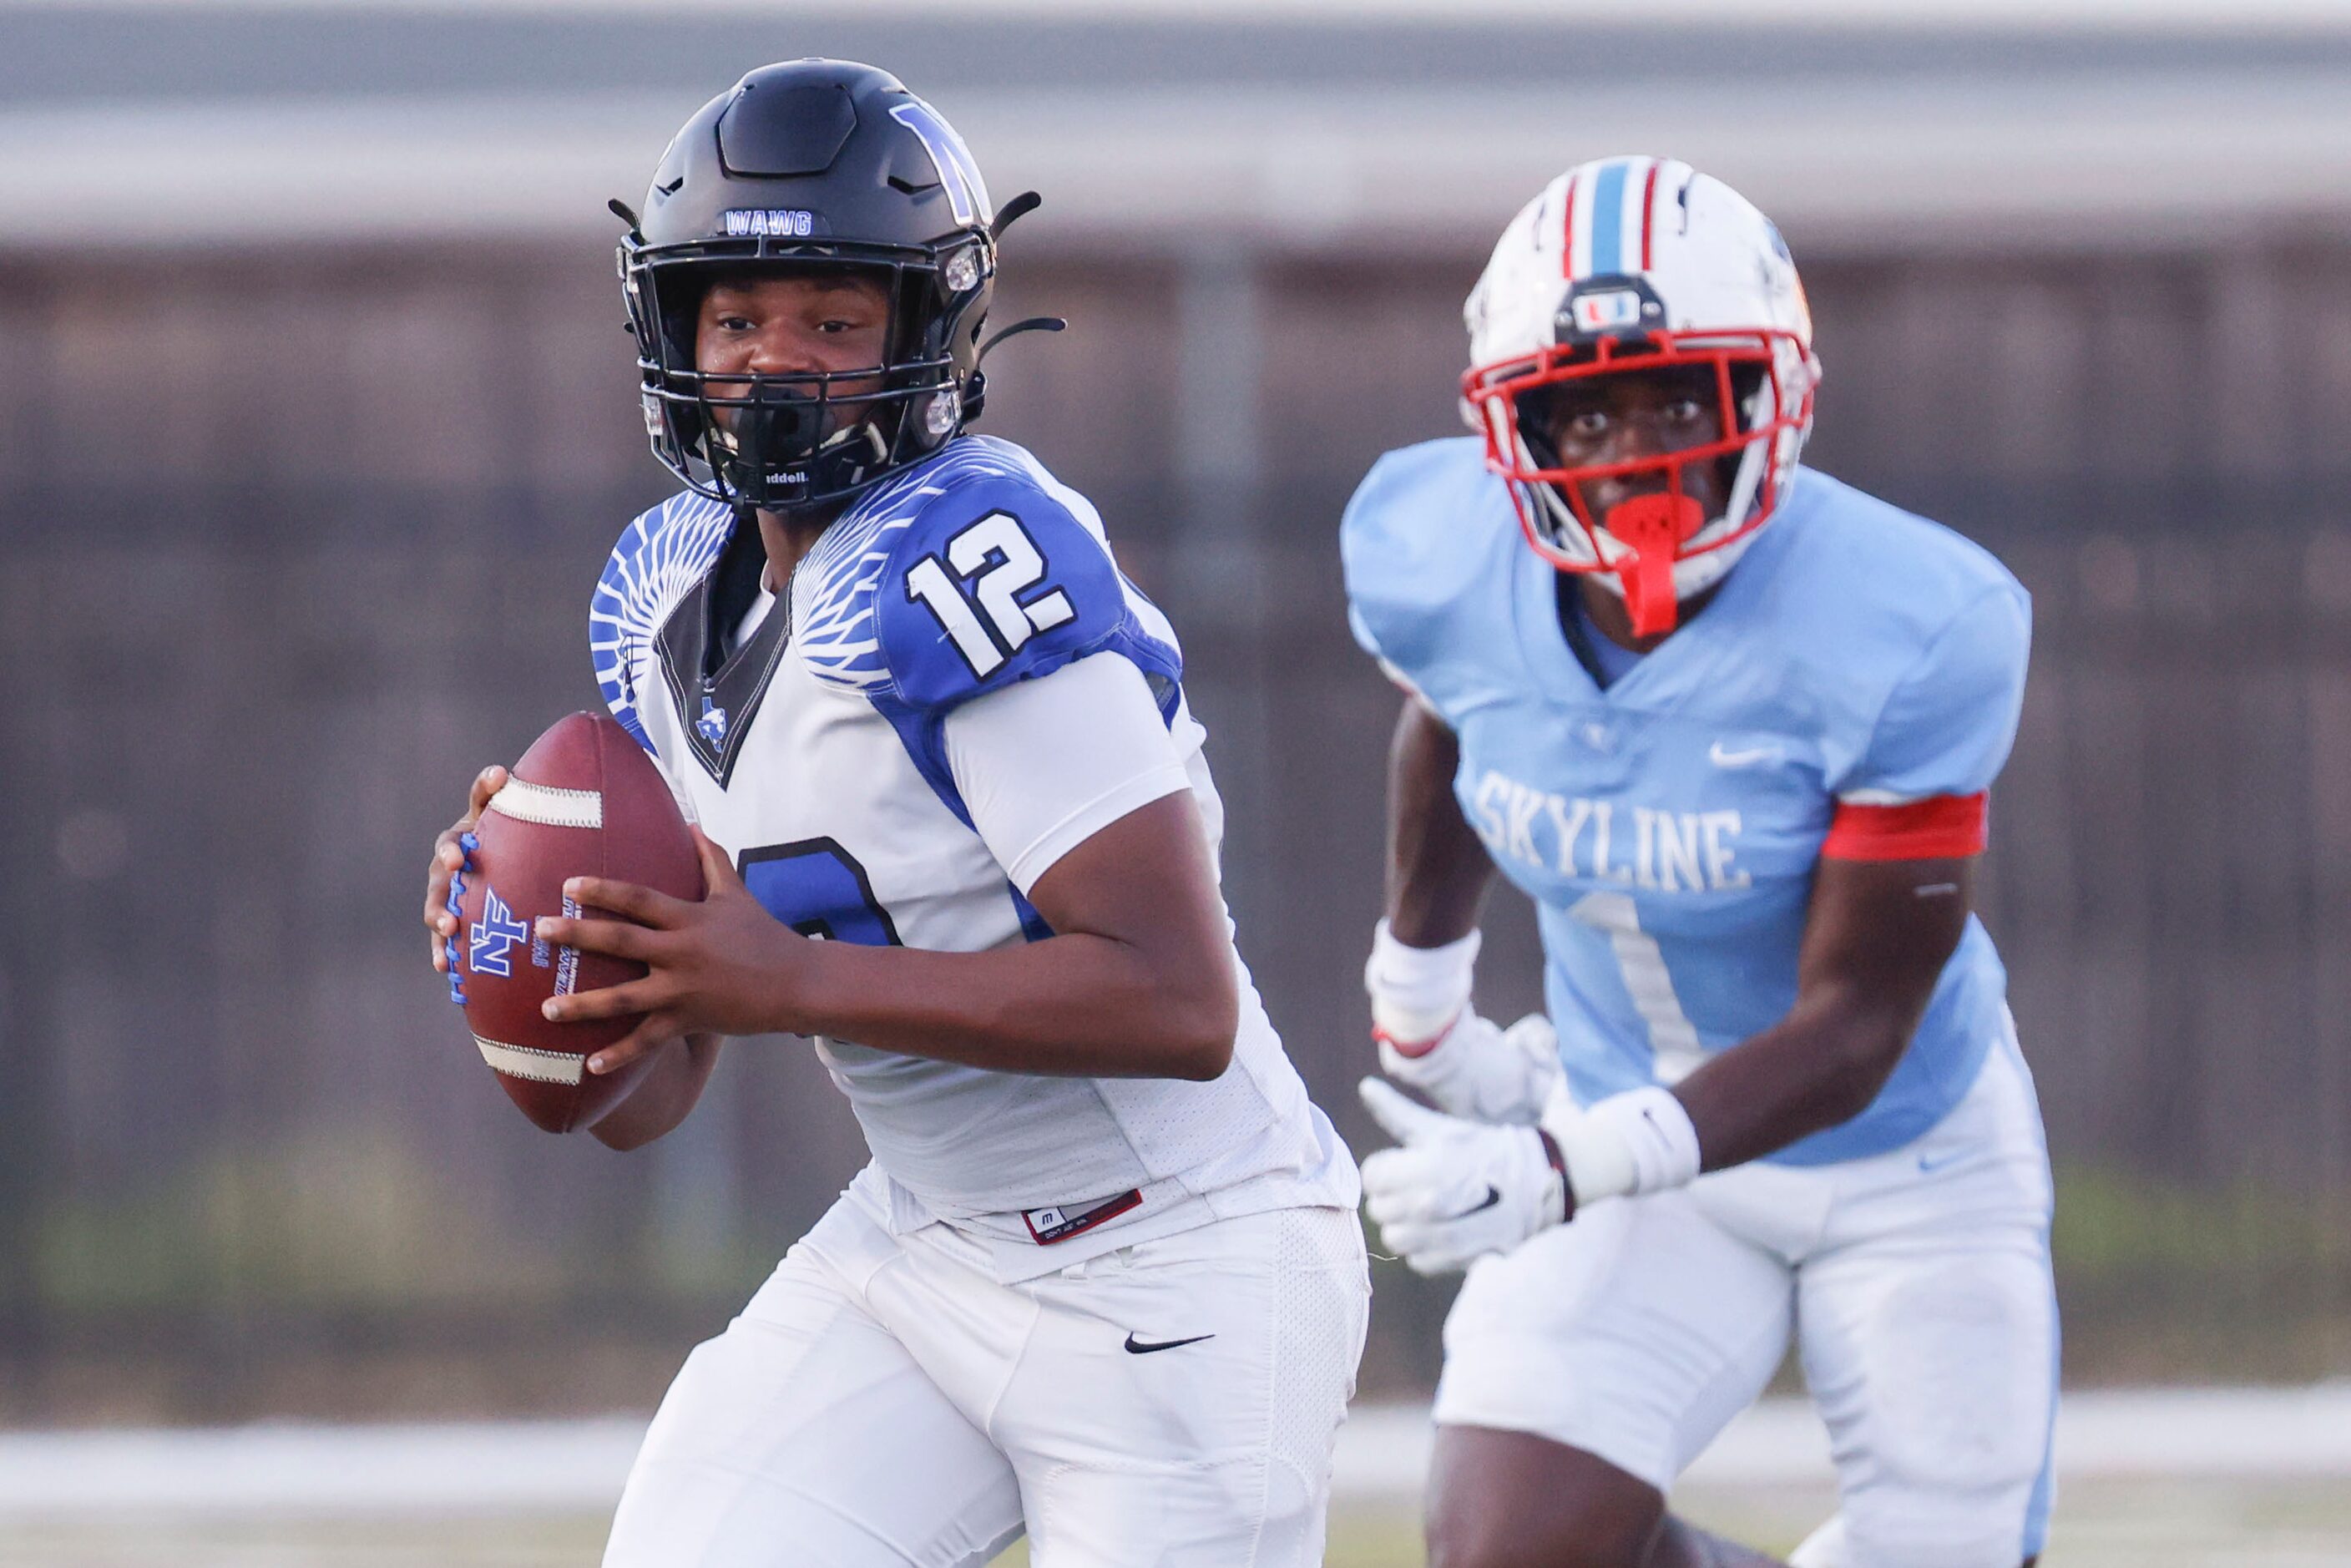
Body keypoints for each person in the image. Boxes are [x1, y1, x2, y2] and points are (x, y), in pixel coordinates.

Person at [421, 60, 1365, 1567]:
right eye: (735, 319)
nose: (774, 363)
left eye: (832, 319)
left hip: (1182, 1264)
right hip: (929, 1247)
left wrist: (793, 981)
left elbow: (1177, 997)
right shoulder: (667, 596)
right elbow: (650, 1102)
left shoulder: (965, 560)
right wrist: (556, 957)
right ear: (673, 331)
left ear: (928, 329)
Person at [1341, 155, 2056, 1568]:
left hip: (1901, 1156)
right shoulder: (1437, 560)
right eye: (1585, 410)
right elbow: (1454, 710)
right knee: (1509, 1552)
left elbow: (1855, 1028)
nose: (1633, 451)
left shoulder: (1914, 618)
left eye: (1678, 396)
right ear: (1514, 429)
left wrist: (1559, 1164)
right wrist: (1418, 1002)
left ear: (1772, 395)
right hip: (1623, 1125)